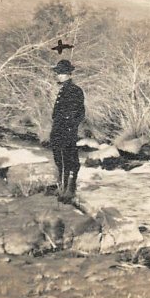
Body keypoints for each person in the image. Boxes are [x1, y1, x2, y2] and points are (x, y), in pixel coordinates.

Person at [50, 59, 85, 203]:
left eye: (62, 73)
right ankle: (63, 188)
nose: (59, 75)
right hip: (59, 129)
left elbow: (79, 112)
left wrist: (70, 126)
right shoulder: (64, 89)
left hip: (67, 130)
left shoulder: (74, 90)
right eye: (58, 73)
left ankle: (68, 190)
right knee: (60, 159)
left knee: (68, 159)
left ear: (69, 74)